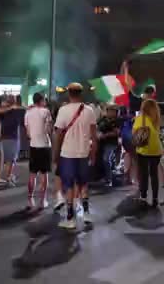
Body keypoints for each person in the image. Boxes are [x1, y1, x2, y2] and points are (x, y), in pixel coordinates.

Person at [53, 83, 98, 229]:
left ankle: (70, 218)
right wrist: (93, 154)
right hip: (83, 152)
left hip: (67, 153)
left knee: (69, 185)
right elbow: (94, 136)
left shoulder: (63, 110)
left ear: (68, 93)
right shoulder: (89, 110)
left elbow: (59, 135)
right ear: (81, 93)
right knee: (83, 183)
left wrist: (55, 154)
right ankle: (86, 213)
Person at [24, 93, 53, 209]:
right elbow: (49, 130)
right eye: (44, 100)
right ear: (41, 100)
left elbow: (27, 133)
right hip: (45, 146)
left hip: (33, 145)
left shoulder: (28, 113)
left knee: (32, 174)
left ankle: (30, 199)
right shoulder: (46, 112)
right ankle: (43, 200)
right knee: (44, 175)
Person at [133, 99, 163, 208]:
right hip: (157, 150)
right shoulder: (156, 119)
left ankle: (143, 197)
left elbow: (134, 133)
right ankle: (155, 199)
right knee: (154, 174)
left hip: (144, 150)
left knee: (144, 174)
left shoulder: (140, 119)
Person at [0, 95, 26, 186]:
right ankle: (9, 178)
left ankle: (8, 176)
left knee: (6, 159)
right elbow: (23, 122)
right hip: (13, 137)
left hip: (3, 137)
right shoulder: (18, 111)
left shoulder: (2, 111)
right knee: (11, 160)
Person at [97, 105, 120, 187]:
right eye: (110, 110)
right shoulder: (102, 119)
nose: (111, 112)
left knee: (106, 159)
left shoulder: (116, 121)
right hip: (100, 143)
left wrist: (106, 135)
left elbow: (116, 132)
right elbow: (96, 127)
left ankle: (109, 179)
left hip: (111, 143)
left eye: (113, 111)